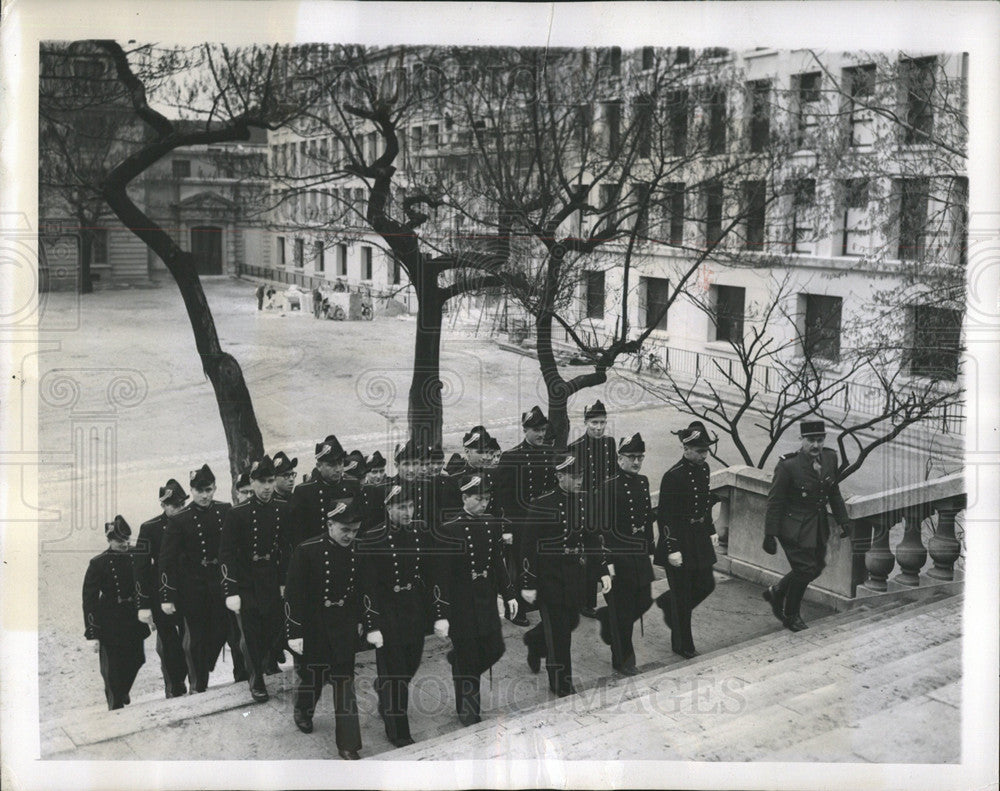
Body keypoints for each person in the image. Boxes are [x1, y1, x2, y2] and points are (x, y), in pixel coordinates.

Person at [357, 482, 447, 747]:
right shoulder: (372, 538)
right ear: (388, 508)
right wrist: (372, 623)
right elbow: (368, 586)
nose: (408, 511)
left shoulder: (420, 531)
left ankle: (384, 689)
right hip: (387, 612)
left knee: (410, 663)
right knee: (396, 675)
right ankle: (398, 731)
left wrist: (439, 612)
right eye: (401, 507)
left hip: (414, 608)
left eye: (410, 505)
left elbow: (433, 573)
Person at [521, 448, 611, 697]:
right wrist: (528, 582)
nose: (579, 479)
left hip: (575, 574)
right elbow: (528, 546)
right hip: (549, 576)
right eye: (573, 475)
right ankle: (561, 683)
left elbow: (592, 539)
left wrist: (602, 570)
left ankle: (535, 640)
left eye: (581, 474)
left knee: (570, 621)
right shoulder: (542, 504)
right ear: (560, 476)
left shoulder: (584, 500)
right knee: (560, 634)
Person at [285, 498, 367, 760]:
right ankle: (303, 710)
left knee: (344, 684)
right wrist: (294, 632)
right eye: (345, 530)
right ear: (330, 524)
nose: (350, 536)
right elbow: (294, 596)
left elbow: (361, 590)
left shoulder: (359, 550)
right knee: (313, 679)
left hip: (343, 626)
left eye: (355, 531)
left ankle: (349, 744)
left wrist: (362, 620)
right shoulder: (307, 551)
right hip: (313, 628)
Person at [436, 474, 518, 725]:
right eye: (478, 499)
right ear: (464, 498)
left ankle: (458, 663)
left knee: (495, 648)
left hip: (485, 599)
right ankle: (469, 713)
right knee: (470, 657)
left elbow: (497, 563)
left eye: (487, 499)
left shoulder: (492, 523)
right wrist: (442, 613)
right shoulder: (450, 529)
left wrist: (509, 594)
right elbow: (443, 576)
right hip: (462, 604)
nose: (484, 504)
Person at [160, 464, 247, 692]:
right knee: (197, 639)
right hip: (194, 588)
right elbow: (166, 561)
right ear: (192, 490)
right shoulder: (180, 519)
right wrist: (167, 596)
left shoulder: (225, 510)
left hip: (222, 582)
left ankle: (242, 679)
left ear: (215, 488)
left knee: (230, 633)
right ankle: (199, 686)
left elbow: (236, 548)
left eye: (208, 489)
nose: (205, 495)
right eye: (199, 490)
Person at [762, 420, 851, 632]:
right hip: (792, 527)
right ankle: (791, 615)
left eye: (820, 440)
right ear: (801, 440)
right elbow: (775, 502)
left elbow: (834, 492)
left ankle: (777, 591)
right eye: (810, 440)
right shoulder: (788, 466)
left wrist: (843, 521)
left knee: (817, 566)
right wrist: (770, 535)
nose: (816, 445)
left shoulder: (830, 458)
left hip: (817, 524)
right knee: (804, 570)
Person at [220, 455, 290, 702]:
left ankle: (267, 662)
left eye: (271, 481)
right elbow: (226, 554)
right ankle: (256, 680)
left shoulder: (282, 508)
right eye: (261, 482)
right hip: (246, 580)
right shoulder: (237, 514)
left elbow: (286, 547)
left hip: (270, 578)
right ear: (252, 482)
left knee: (273, 627)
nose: (267, 487)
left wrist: (283, 581)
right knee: (250, 634)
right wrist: (231, 590)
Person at [653, 421, 720, 659]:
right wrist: (672, 548)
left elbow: (705, 502)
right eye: (700, 450)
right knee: (682, 595)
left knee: (706, 584)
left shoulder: (704, 469)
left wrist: (711, 528)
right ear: (686, 448)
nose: (705, 455)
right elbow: (665, 516)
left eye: (706, 450)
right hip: (679, 539)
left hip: (699, 536)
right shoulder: (672, 476)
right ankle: (683, 644)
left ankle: (667, 602)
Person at [596, 433, 655, 675]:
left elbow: (648, 518)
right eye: (631, 457)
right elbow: (601, 529)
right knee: (623, 611)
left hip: (638, 555)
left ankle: (606, 619)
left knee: (643, 600)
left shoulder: (643, 482)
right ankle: (623, 660)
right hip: (618, 557)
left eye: (640, 457)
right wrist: (606, 562)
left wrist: (650, 549)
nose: (637, 462)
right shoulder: (608, 487)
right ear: (620, 458)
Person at [496, 405, 556, 627]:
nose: (541, 434)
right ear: (525, 430)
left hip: (544, 522)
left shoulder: (549, 453)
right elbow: (504, 497)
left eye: (543, 429)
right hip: (521, 523)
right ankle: (518, 610)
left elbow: (552, 489)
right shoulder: (511, 457)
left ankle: (539, 602)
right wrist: (507, 528)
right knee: (522, 566)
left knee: (544, 563)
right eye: (536, 430)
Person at [82, 515, 150, 710]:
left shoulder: (135, 555)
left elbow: (144, 583)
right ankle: (115, 704)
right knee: (112, 667)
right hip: (109, 618)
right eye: (119, 540)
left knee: (137, 658)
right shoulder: (98, 563)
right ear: (109, 540)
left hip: (132, 616)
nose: (124, 544)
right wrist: (92, 632)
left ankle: (122, 691)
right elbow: (89, 599)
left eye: (126, 540)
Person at [134, 480, 189, 698]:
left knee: (192, 642)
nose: (178, 509)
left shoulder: (190, 521)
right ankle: (174, 686)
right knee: (169, 645)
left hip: (189, 593)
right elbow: (140, 569)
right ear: (163, 506)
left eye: (181, 504)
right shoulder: (150, 528)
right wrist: (143, 605)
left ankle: (190, 680)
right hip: (161, 596)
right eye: (173, 505)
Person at [569, 399, 616, 618]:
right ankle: (586, 602)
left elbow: (614, 473)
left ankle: (611, 595)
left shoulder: (610, 443)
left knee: (607, 552)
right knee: (589, 554)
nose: (598, 427)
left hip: (605, 507)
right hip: (585, 509)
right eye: (594, 423)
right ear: (586, 422)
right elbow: (573, 485)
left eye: (602, 422)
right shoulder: (576, 447)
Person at [289, 436, 360, 549]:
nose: (338, 469)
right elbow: (297, 534)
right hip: (315, 552)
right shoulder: (304, 491)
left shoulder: (352, 485)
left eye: (340, 463)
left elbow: (360, 524)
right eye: (331, 465)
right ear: (319, 466)